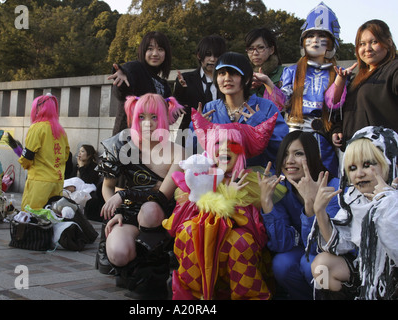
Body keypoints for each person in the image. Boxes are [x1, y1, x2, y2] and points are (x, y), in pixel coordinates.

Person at [164, 108, 281, 300]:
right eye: (219, 143)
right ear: (210, 148)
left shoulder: (250, 183)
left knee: (240, 241)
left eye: (233, 144)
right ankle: (194, 296)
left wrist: (235, 199)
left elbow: (257, 230)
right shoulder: (197, 176)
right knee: (189, 231)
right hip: (201, 244)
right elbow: (180, 219)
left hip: (234, 251)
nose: (225, 149)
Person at [96, 93, 184, 299]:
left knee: (150, 210)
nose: (148, 123)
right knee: (118, 253)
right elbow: (107, 187)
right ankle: (135, 273)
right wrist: (116, 210)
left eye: (154, 117)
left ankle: (151, 279)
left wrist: (124, 194)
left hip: (161, 218)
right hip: (126, 212)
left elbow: (161, 197)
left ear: (165, 118)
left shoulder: (179, 152)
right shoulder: (122, 146)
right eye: (141, 117)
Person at [310, 126, 398, 300]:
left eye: (367, 164)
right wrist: (319, 211)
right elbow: (339, 244)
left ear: (388, 162)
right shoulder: (354, 198)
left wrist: (386, 201)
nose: (359, 174)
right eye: (352, 168)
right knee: (323, 266)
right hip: (369, 275)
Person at [256, 2, 343, 177]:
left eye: (322, 35)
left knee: (325, 182)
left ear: (332, 42)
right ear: (303, 40)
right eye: (310, 35)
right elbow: (282, 103)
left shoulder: (338, 73)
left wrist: (341, 81)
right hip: (293, 135)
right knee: (290, 184)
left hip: (323, 139)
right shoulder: (292, 71)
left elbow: (337, 107)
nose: (316, 39)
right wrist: (268, 83)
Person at [257, 130, 340, 300]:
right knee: (281, 264)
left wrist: (310, 206)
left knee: (310, 264)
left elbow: (326, 244)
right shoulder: (281, 190)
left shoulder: (333, 187)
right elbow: (282, 245)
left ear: (314, 156)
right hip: (302, 251)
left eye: (298, 154)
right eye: (285, 154)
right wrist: (267, 203)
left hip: (332, 256)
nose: (289, 161)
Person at [188, 51, 288, 169]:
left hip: (257, 176)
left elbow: (283, 148)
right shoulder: (210, 108)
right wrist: (197, 130)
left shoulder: (266, 107)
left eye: (234, 74)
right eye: (221, 73)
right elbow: (193, 150)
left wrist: (262, 127)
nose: (227, 79)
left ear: (246, 79)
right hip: (219, 176)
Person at [329, 19, 398, 150]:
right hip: (355, 155)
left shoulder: (394, 69)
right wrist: (337, 129)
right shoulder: (357, 77)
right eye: (362, 44)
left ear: (388, 42)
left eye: (374, 42)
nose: (367, 49)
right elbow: (346, 111)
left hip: (383, 156)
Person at [108, 31, 174, 136]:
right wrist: (122, 77)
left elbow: (170, 118)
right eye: (150, 49)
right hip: (127, 141)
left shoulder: (164, 85)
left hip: (152, 142)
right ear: (143, 51)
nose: (155, 53)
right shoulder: (135, 68)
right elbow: (122, 93)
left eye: (160, 49)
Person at [18, 93, 70, 210]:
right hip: (57, 181)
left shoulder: (37, 127)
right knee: (53, 216)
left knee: (31, 216)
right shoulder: (60, 131)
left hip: (39, 181)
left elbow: (28, 155)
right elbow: (66, 155)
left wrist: (24, 163)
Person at [174, 35, 227, 145]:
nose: (212, 59)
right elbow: (176, 108)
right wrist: (181, 89)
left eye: (217, 55)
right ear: (199, 55)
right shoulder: (186, 79)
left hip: (219, 137)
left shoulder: (228, 81)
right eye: (208, 55)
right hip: (189, 136)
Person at [68, 144, 104, 221]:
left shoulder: (94, 167)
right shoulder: (77, 166)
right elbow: (71, 179)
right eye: (79, 151)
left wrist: (81, 167)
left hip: (88, 191)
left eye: (82, 151)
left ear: (89, 155)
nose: (79, 154)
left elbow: (87, 181)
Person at [245, 28, 285, 98]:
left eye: (260, 47)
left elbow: (286, 102)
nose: (255, 53)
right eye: (250, 49)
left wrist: (267, 83)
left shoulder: (285, 73)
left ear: (271, 50)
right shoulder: (244, 75)